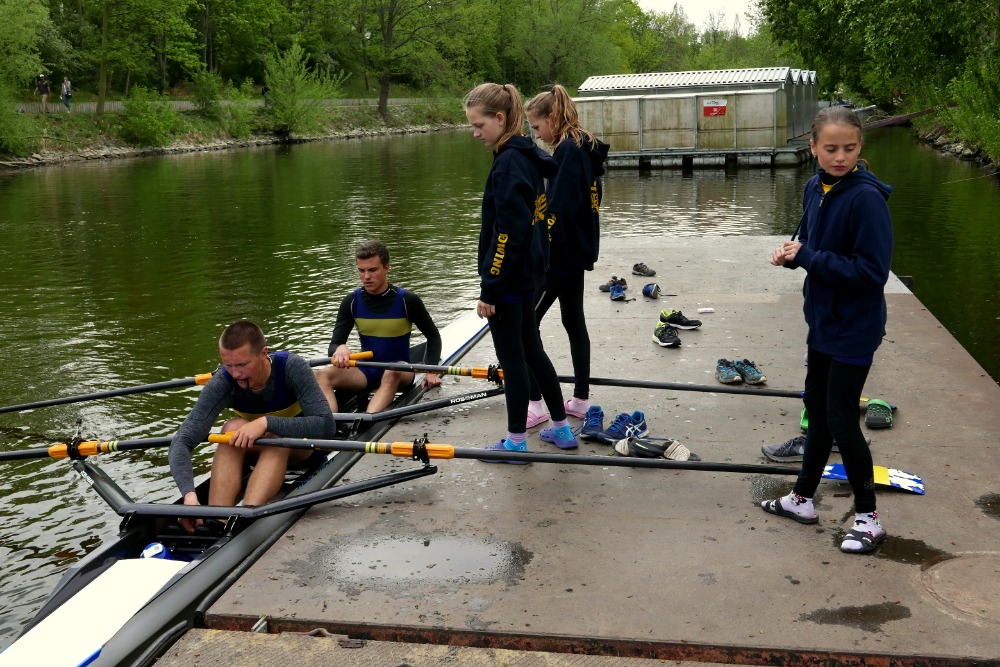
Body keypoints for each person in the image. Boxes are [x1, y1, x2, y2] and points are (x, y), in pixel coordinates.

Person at [761, 106, 894, 554]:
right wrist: (791, 254)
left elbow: (872, 272)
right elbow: (812, 246)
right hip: (822, 321)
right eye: (831, 148)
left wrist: (809, 258)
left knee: (840, 420)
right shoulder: (815, 187)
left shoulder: (866, 199)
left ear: (860, 147)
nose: (840, 157)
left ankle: (869, 518)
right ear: (813, 147)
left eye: (849, 148)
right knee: (816, 410)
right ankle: (801, 499)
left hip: (855, 326)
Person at [464, 82, 576, 458]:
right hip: (530, 274)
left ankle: (515, 442)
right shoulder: (528, 155)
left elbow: (507, 234)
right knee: (533, 352)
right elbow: (533, 224)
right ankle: (562, 428)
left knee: (513, 362)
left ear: (500, 118)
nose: (475, 133)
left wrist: (490, 289)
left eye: (479, 125)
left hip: (510, 281)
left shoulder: (508, 164)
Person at [169, 320, 338, 532]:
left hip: (303, 449)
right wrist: (189, 495)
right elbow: (181, 442)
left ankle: (246, 518)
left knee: (276, 436)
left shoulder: (292, 367)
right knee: (231, 428)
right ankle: (216, 521)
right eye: (228, 365)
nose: (235, 374)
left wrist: (266, 422)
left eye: (241, 365)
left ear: (263, 353)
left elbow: (326, 426)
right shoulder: (223, 381)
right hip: (258, 450)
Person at [523, 84, 609, 426]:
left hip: (560, 255)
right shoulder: (585, 146)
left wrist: (538, 249)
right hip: (578, 250)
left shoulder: (567, 151)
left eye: (537, 127)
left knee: (525, 325)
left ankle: (535, 404)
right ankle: (581, 400)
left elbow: (557, 209)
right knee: (573, 321)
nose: (536, 135)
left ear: (552, 118)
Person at [315, 240, 442, 413]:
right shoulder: (351, 302)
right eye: (361, 270)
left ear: (386, 267)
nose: (366, 276)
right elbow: (334, 345)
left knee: (391, 372)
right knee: (321, 375)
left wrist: (431, 370)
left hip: (400, 371)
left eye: (372, 270)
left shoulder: (407, 300)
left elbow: (433, 336)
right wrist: (340, 349)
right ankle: (328, 422)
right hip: (366, 371)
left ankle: (368, 420)